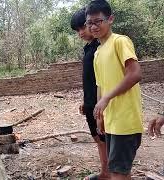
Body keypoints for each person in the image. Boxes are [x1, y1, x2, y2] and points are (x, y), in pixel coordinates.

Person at [86, 0, 144, 179]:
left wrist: (106, 98)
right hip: (112, 121)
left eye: (98, 21)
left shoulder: (120, 41)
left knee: (118, 173)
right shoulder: (97, 52)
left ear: (110, 19)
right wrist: (99, 116)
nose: (94, 27)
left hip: (125, 121)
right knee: (118, 171)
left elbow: (135, 74)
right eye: (90, 23)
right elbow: (100, 86)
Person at [71, 7, 109, 180]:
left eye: (82, 27)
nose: (80, 33)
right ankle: (105, 172)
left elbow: (105, 80)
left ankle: (112, 173)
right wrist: (85, 102)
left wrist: (101, 104)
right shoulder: (89, 48)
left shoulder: (101, 48)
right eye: (77, 30)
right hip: (91, 103)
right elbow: (90, 80)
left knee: (106, 139)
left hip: (101, 104)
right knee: (98, 139)